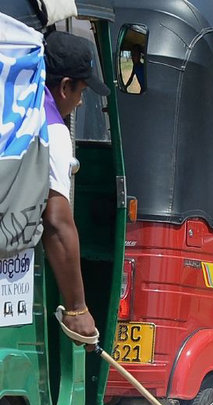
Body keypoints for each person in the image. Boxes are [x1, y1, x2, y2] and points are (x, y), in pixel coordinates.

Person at [42, 31, 110, 342]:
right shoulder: (53, 129)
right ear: (65, 85)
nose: (81, 102)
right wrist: (77, 308)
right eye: (81, 91)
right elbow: (56, 221)